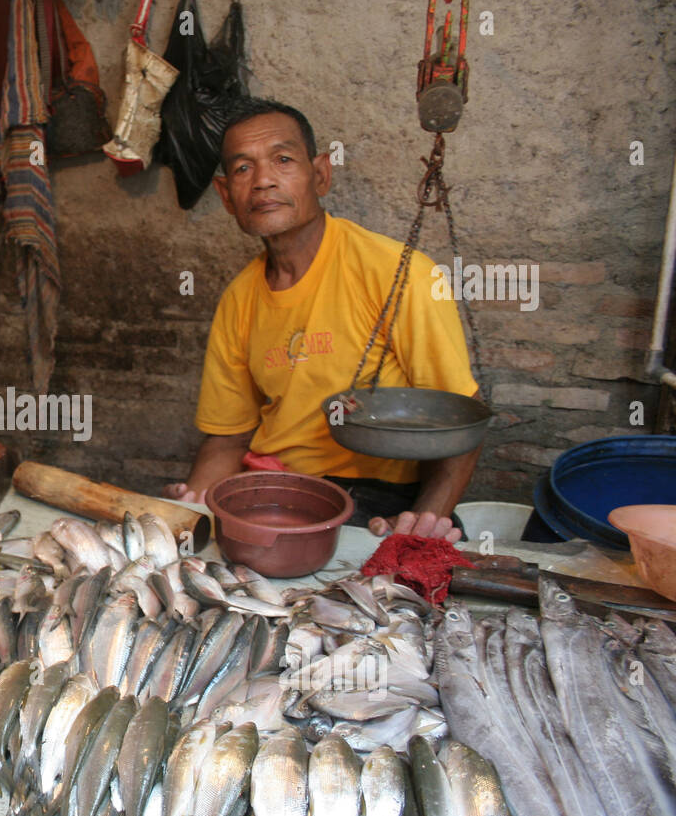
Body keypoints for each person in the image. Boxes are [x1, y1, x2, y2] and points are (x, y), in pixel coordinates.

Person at [164, 98, 480, 543]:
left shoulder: (398, 273)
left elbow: (459, 423)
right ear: (225, 195)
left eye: (283, 160)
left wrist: (422, 522)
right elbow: (227, 440)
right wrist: (194, 506)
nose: (263, 181)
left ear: (321, 174)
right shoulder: (239, 299)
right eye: (242, 169)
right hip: (273, 495)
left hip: (382, 498)